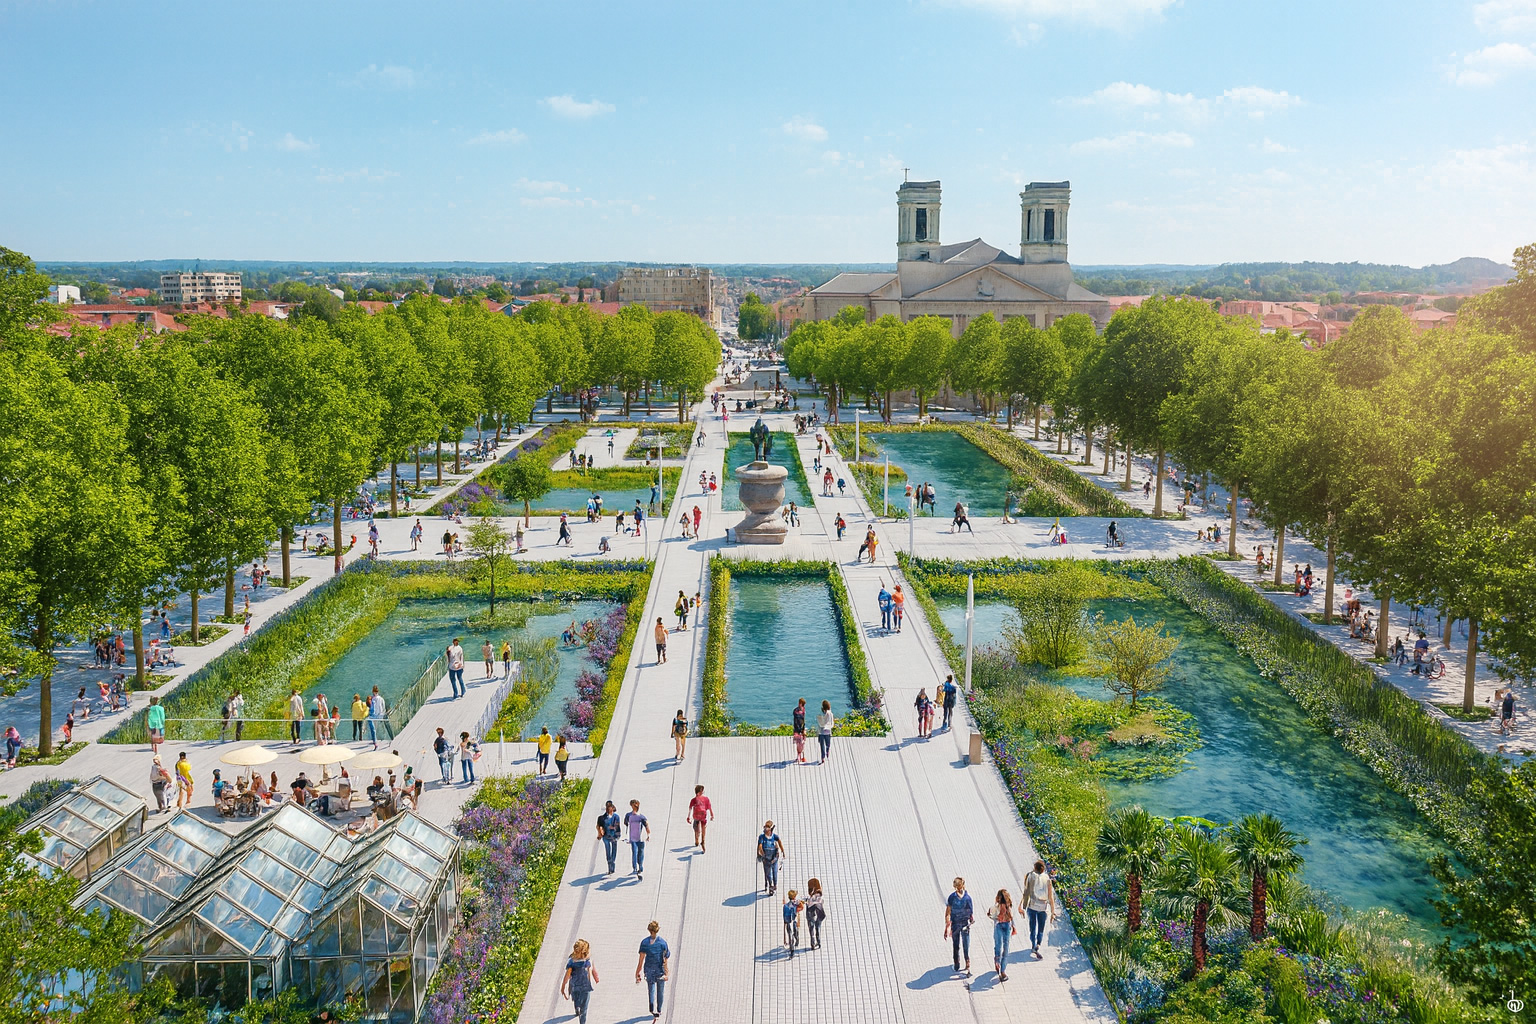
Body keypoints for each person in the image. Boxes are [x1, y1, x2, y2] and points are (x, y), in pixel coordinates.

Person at [1021, 860, 1057, 959]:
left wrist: (1024, 906)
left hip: (1032, 906)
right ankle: (1038, 944)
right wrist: (1053, 911)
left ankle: (1033, 944)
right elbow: (1051, 897)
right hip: (1043, 907)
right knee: (1040, 928)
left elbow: (1026, 892)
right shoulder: (1047, 879)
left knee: (1032, 927)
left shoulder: (1030, 876)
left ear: (1035, 867)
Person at [636, 921, 670, 1021]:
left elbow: (641, 960)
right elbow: (665, 959)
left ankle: (652, 1008)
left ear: (649, 930)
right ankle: (659, 1010)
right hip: (660, 970)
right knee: (661, 991)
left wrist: (638, 971)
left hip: (649, 970)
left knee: (651, 989)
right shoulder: (663, 943)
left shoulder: (644, 943)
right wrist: (667, 972)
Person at [561, 939, 598, 1024]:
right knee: (584, 1008)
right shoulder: (587, 961)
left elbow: (567, 975)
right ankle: (582, 1019)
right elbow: (590, 970)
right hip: (585, 987)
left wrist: (563, 987)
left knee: (576, 1000)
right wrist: (594, 979)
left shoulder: (571, 962)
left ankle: (577, 1008)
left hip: (574, 986)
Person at [945, 877, 975, 976]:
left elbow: (970, 911)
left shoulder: (966, 898)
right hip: (957, 923)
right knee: (958, 944)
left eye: (959, 886)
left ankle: (964, 962)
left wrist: (971, 918)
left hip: (963, 923)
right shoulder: (954, 898)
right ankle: (958, 963)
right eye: (956, 886)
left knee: (962, 944)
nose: (958, 888)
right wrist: (947, 926)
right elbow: (948, 912)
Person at [989, 889, 1017, 981]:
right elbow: (990, 914)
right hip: (1005, 925)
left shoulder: (1002, 906)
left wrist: (996, 918)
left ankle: (998, 963)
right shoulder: (1001, 907)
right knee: (1004, 947)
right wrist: (1013, 926)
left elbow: (990, 915)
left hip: (1002, 926)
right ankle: (1002, 970)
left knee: (1000, 945)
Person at [757, 820, 786, 894]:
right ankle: (770, 885)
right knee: (768, 874)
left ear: (771, 829)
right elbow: (759, 846)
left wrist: (783, 851)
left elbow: (780, 843)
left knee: (775, 873)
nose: (766, 830)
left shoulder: (775, 837)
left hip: (774, 859)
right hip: (766, 860)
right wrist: (761, 854)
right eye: (765, 828)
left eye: (767, 829)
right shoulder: (762, 837)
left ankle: (775, 885)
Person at [625, 799, 650, 879]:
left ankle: (640, 865)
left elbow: (646, 825)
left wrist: (648, 834)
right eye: (632, 805)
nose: (634, 806)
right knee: (634, 852)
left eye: (635, 805)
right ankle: (635, 868)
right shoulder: (628, 815)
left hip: (641, 838)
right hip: (633, 838)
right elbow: (626, 824)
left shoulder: (641, 817)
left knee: (641, 853)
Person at [596, 800, 621, 874]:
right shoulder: (601, 818)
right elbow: (598, 826)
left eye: (610, 807)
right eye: (607, 807)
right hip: (606, 837)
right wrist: (599, 833)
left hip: (614, 836)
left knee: (614, 850)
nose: (608, 809)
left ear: (612, 807)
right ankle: (609, 864)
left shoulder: (616, 817)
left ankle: (612, 863)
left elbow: (618, 826)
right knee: (608, 851)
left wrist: (618, 834)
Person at [687, 784, 713, 851]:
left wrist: (688, 817)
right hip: (702, 815)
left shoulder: (694, 800)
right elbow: (709, 807)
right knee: (703, 828)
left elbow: (690, 808)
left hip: (697, 816)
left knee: (697, 829)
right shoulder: (705, 799)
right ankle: (701, 840)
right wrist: (711, 814)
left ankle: (698, 840)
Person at [804, 877, 826, 950]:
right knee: (818, 928)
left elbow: (809, 904)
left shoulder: (811, 898)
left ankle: (813, 944)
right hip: (819, 915)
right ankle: (819, 942)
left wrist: (807, 902)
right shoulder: (820, 896)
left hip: (811, 915)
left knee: (811, 929)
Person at [783, 888, 803, 957]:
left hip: (788, 923)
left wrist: (785, 923)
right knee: (796, 933)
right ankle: (797, 941)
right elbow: (801, 908)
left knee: (790, 935)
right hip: (794, 922)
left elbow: (784, 916)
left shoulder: (785, 906)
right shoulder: (796, 904)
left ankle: (792, 950)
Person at [791, 698, 808, 763]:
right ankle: (799, 755)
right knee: (799, 743)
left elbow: (802, 719)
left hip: (801, 728)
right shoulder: (796, 711)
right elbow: (797, 719)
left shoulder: (800, 710)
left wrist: (803, 729)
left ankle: (799, 755)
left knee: (802, 743)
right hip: (797, 729)